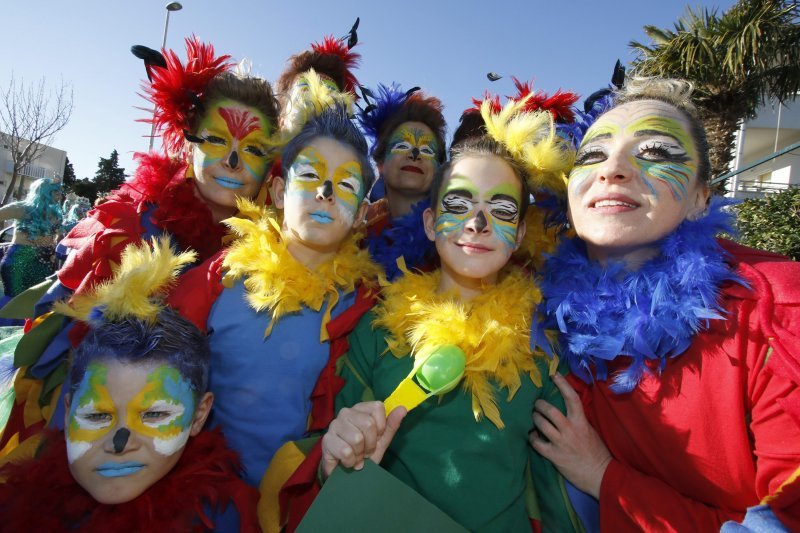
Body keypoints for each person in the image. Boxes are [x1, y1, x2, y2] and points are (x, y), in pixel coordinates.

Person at [276, 97, 580, 532]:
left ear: (517, 239)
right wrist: (334, 455)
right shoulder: (376, 326)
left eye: (503, 210)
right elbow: (329, 463)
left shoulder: (543, 343)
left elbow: (557, 496)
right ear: (430, 223)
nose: (478, 222)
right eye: (459, 205)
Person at [530, 77, 800, 531]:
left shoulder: (778, 310)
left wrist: (604, 478)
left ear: (700, 198)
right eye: (592, 155)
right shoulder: (538, 304)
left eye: (655, 153)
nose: (611, 169)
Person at [0, 35, 280, 460]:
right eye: (217, 140)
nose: (234, 161)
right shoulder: (127, 229)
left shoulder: (276, 253)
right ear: (188, 143)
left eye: (254, 149)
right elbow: (70, 368)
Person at [169, 97, 381, 496]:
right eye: (310, 177)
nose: (326, 193)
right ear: (280, 192)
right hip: (208, 504)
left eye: (347, 185)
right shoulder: (218, 279)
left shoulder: (370, 309)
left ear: (363, 214)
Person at [0, 238, 259, 531]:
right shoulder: (16, 510)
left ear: (199, 415)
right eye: (97, 416)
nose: (119, 444)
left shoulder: (223, 519)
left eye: (154, 415)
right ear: (70, 409)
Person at [357, 84, 447, 279]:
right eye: (402, 145)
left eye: (427, 150)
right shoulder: (354, 238)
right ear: (381, 163)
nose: (414, 154)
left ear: (439, 168)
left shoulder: (455, 239)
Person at [0, 178, 62, 300]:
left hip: (45, 264)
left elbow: (59, 237)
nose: (60, 195)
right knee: (14, 304)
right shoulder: (21, 208)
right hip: (19, 264)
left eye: (60, 191)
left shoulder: (56, 214)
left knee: (36, 304)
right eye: (56, 191)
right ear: (44, 191)